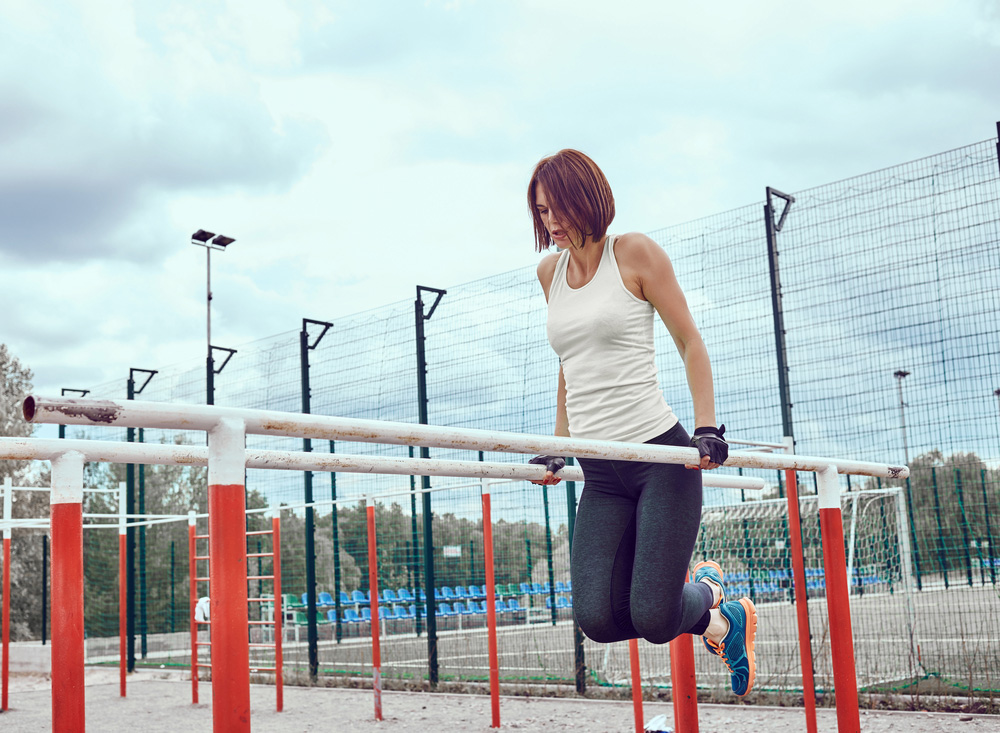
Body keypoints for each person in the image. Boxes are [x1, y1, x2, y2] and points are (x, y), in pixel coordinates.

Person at [526, 149, 757, 697]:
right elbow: (569, 365)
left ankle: (709, 594)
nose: (550, 222)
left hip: (660, 460)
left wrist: (707, 427)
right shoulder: (549, 273)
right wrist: (559, 444)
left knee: (654, 617)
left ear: (588, 198)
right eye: (541, 211)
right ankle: (721, 621)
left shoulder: (633, 253)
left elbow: (689, 340)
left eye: (558, 207)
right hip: (601, 471)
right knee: (599, 620)